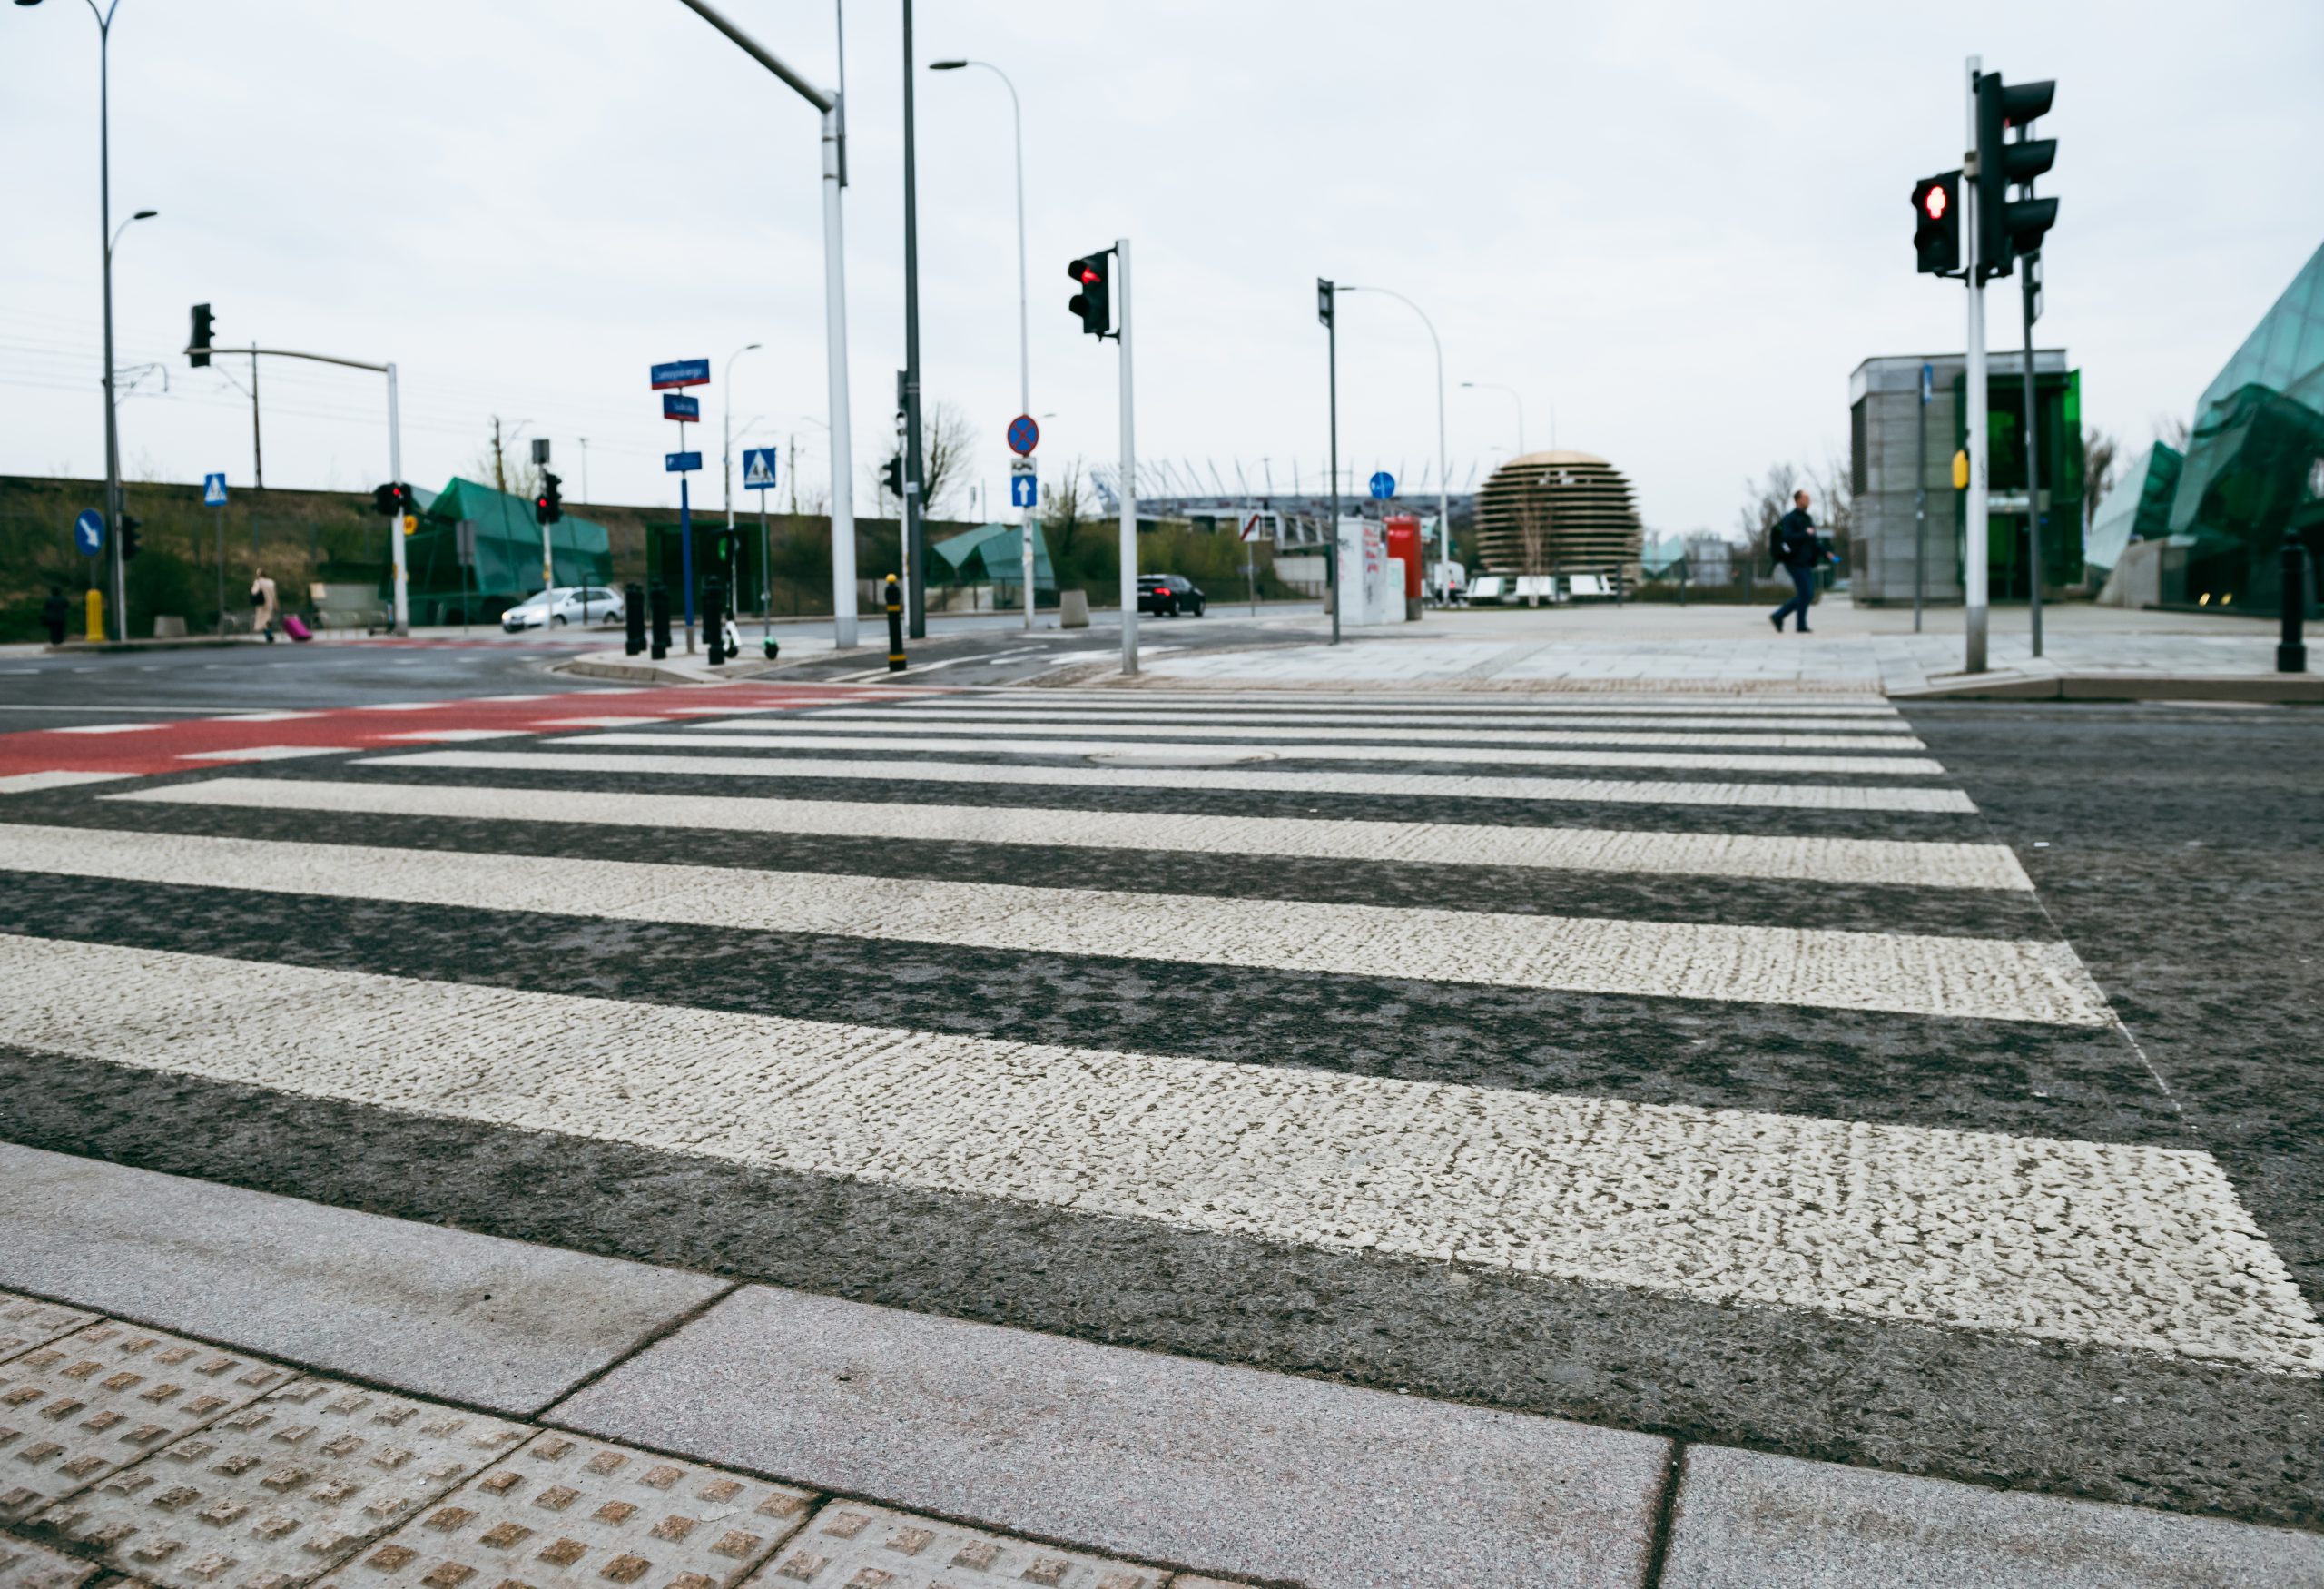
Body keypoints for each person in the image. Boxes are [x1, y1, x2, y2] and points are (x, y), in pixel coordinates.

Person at [1768, 489, 1829, 634]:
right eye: (1806, 498)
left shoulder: (1807, 519)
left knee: (1806, 594)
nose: (1809, 501)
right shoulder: (1790, 518)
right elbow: (1787, 536)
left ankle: (1783, 618)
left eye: (1809, 498)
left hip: (1806, 562)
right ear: (1798, 500)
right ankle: (1787, 620)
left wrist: (1826, 553)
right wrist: (1804, 533)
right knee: (1806, 593)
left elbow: (1814, 542)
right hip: (1793, 561)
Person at [250, 568, 280, 643]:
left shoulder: (258, 582)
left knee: (262, 622)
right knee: (267, 621)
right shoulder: (271, 582)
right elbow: (274, 595)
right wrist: (276, 605)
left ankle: (269, 635)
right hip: (270, 605)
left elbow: (254, 592)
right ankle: (269, 635)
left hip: (262, 605)